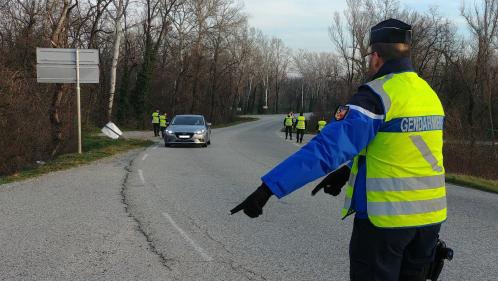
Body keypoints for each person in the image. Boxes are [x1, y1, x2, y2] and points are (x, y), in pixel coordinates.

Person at [231, 18, 447, 281]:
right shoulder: (428, 94)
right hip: (429, 222)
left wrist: (268, 189)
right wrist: (348, 171)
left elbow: (326, 150)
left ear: (376, 57)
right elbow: (401, 149)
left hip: (387, 224)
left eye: (370, 56)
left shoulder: (377, 95)